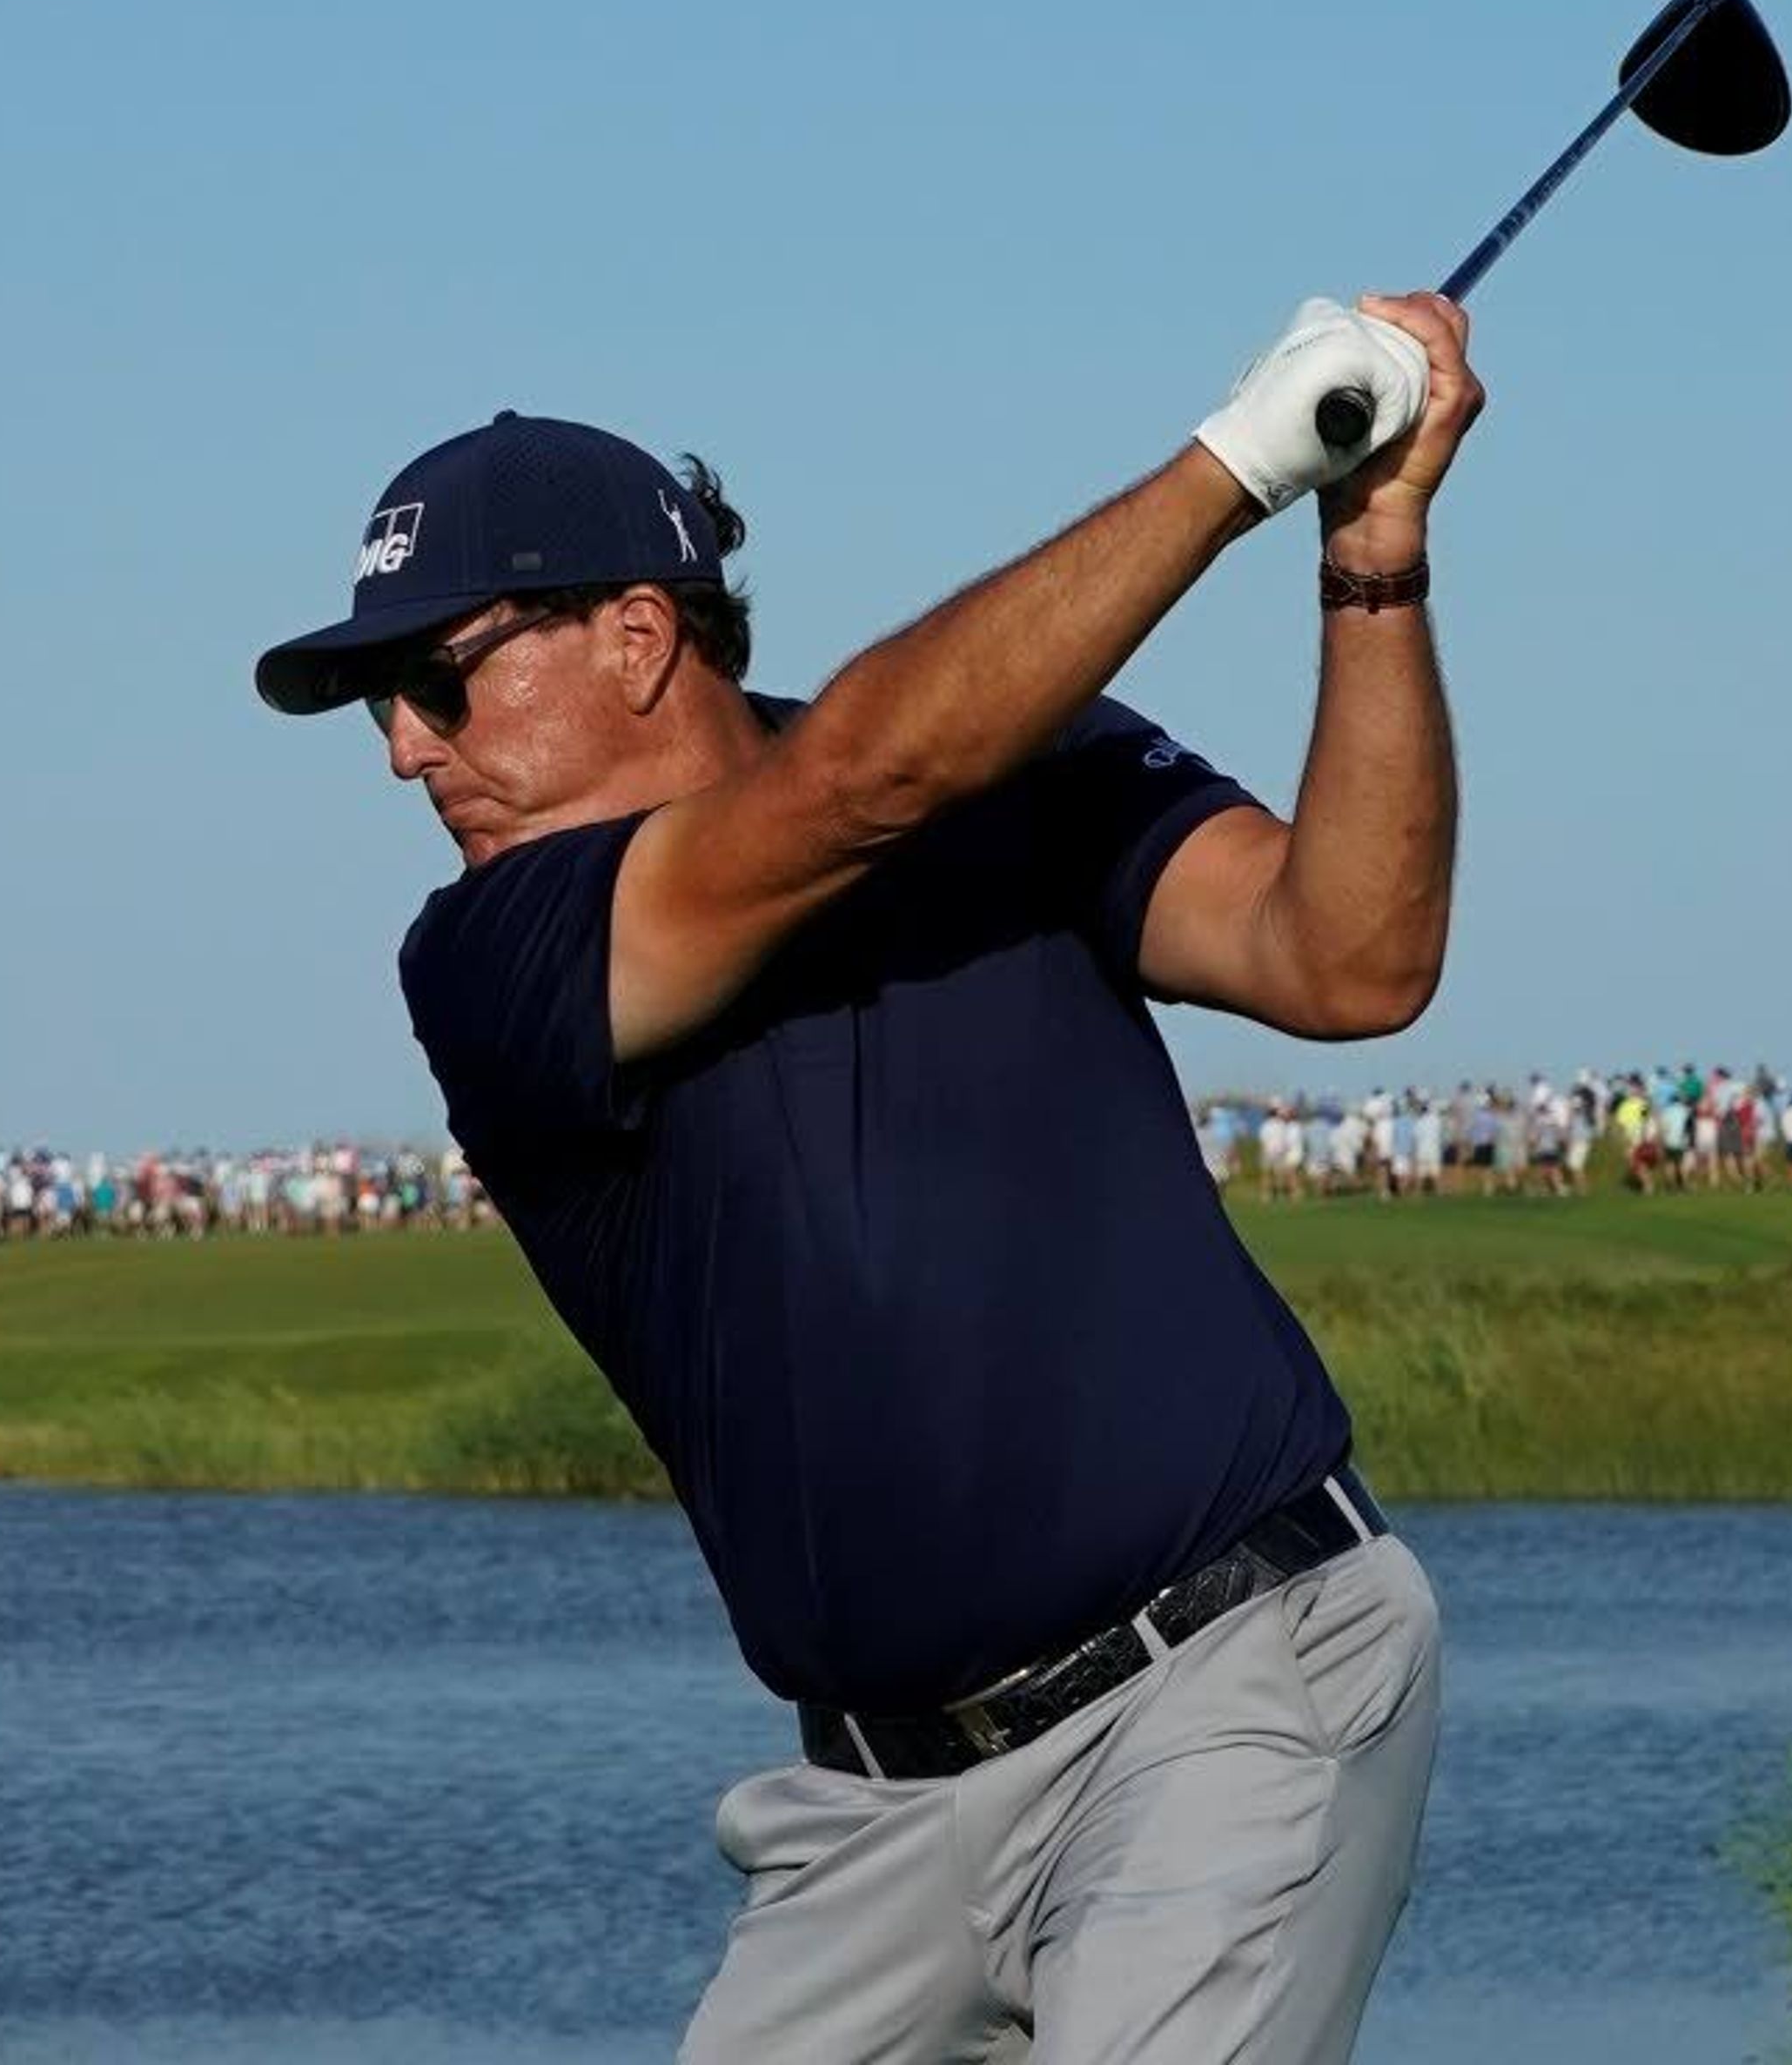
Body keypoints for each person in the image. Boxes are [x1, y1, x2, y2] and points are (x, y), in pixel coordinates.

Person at [258, 292, 1475, 2062]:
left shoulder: (1023, 760)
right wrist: (1240, 459)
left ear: (638, 634)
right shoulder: (496, 952)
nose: (403, 748)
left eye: (443, 677)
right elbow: (864, 784)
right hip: (878, 1814)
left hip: (1230, 1671)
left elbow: (1349, 956)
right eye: (380, 700)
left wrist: (1370, 559)